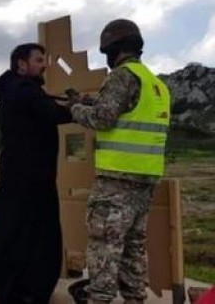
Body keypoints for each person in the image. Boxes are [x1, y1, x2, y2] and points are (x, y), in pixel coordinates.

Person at [68, 19, 170, 304]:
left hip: (116, 183)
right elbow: (124, 113)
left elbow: (103, 119)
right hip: (144, 182)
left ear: (113, 49)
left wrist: (75, 109)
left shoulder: (121, 77)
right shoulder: (156, 84)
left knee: (104, 247)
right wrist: (90, 101)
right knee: (132, 251)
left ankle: (99, 299)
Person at [0, 43, 72, 303]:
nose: (44, 65)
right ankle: (22, 290)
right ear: (21, 64)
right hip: (30, 177)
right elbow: (53, 113)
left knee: (13, 229)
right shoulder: (24, 90)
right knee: (31, 234)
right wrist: (79, 109)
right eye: (39, 60)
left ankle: (4, 285)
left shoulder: (16, 89)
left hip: (21, 174)